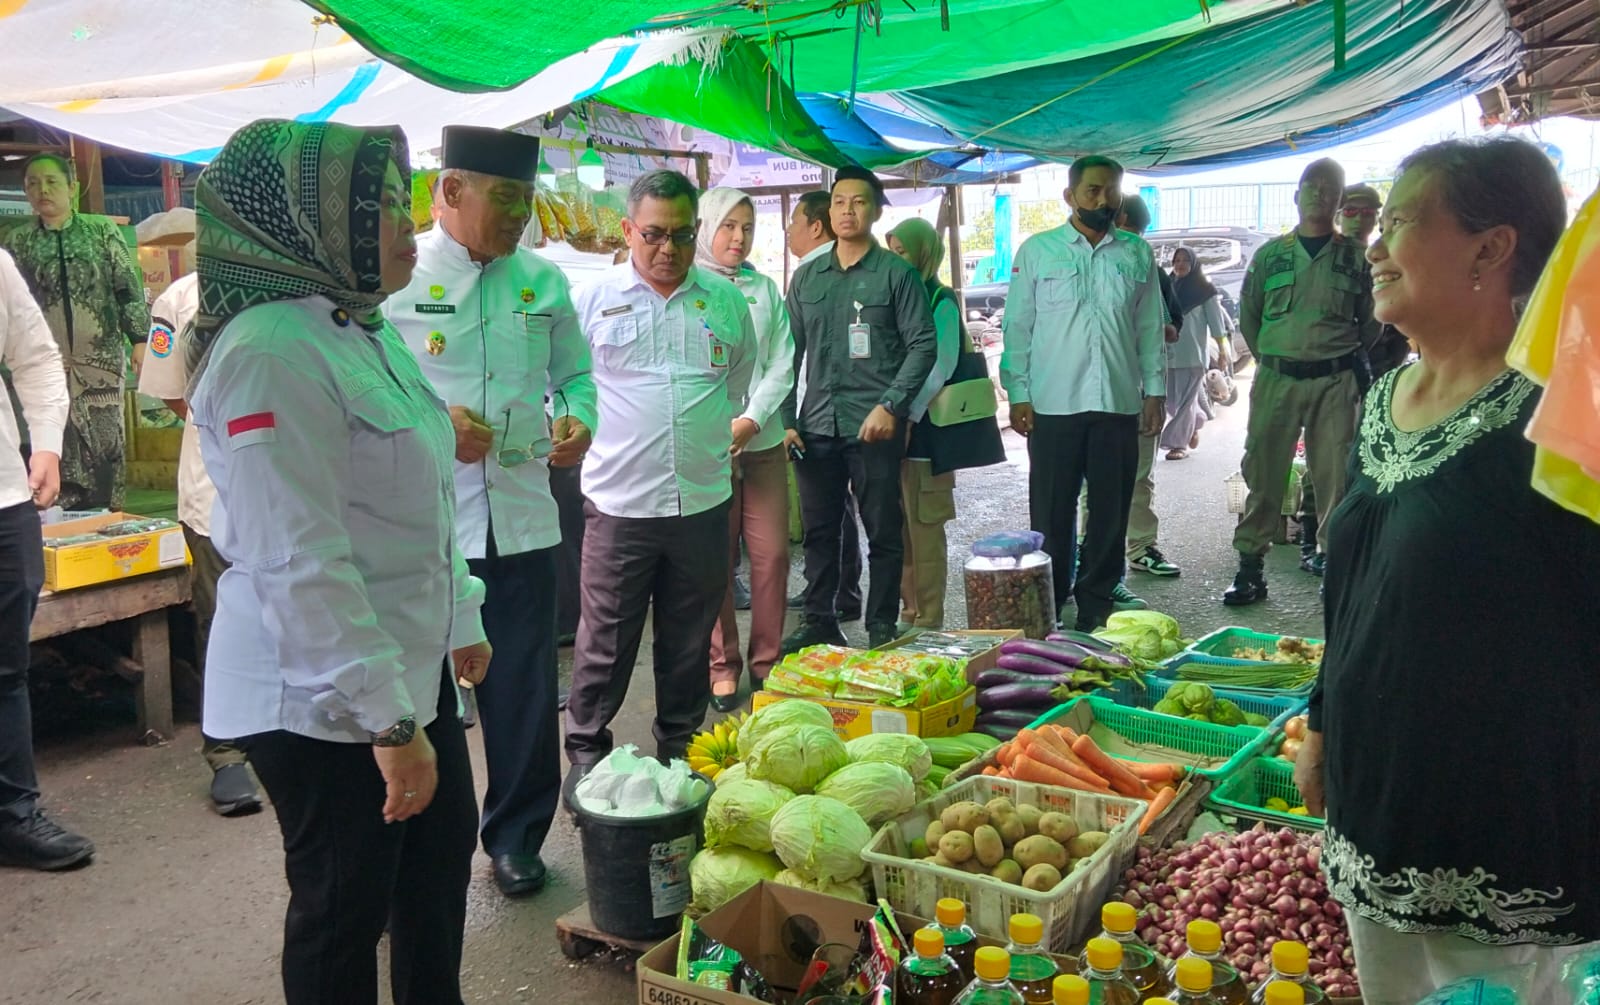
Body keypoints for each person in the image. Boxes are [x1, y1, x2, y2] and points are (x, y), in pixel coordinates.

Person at [187, 119, 491, 1005]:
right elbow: (298, 558)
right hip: (321, 698)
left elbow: (421, 494)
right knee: (342, 905)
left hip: (403, 667)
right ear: (317, 221)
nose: (406, 223)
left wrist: (461, 616)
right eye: (387, 206)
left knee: (434, 873)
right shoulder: (270, 352)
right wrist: (390, 727)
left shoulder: (360, 327)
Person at [1296, 137, 1596, 1005]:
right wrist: (1321, 722)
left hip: (1499, 821)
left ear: (1491, 247)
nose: (1372, 245)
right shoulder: (1387, 392)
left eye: (1396, 222)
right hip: (1377, 797)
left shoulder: (1559, 413)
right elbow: (1353, 591)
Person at [386, 125, 597, 899]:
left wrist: (580, 417)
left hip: (521, 519)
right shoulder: (397, 276)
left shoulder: (542, 282)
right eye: (503, 199)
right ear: (451, 192)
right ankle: (412, 849)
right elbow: (368, 386)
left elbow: (576, 373)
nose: (518, 216)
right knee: (421, 696)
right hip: (422, 525)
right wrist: (437, 422)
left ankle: (514, 837)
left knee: (523, 693)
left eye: (525, 201)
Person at [565, 170, 756, 793]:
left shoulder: (724, 301)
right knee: (606, 639)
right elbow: (564, 382)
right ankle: (586, 753)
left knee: (687, 638)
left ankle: (680, 753)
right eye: (653, 235)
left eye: (680, 235)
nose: (668, 249)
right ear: (628, 229)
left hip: (701, 499)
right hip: (620, 503)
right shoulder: (593, 300)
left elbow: (734, 386)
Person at [1001, 156, 1165, 631]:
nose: (1103, 200)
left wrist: (1154, 390)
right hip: (1053, 404)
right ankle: (1050, 605)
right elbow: (1018, 326)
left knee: (1111, 512)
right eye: (1092, 190)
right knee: (1051, 509)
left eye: (1111, 191)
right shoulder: (1038, 251)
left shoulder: (1136, 253)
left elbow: (1150, 327)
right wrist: (1018, 391)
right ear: (1070, 196)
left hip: (1117, 401)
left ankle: (1096, 607)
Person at [780, 166, 938, 651]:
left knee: (883, 529)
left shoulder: (897, 275)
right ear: (829, 211)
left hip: (874, 428)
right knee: (820, 532)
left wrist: (891, 405)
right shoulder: (807, 277)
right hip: (816, 426)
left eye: (859, 202)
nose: (848, 210)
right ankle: (820, 617)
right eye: (840, 201)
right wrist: (787, 420)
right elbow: (787, 352)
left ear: (875, 210)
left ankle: (881, 623)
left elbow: (923, 345)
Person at [135, 270, 261, 816]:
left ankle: (292, 736)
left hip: (293, 486)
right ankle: (227, 751)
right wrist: (223, 423)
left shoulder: (296, 283)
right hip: (215, 493)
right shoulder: (179, 298)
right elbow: (168, 390)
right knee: (222, 620)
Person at [1224, 158, 1378, 603]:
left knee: (1336, 478)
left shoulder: (1355, 259)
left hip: (1335, 381)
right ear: (1296, 196)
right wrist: (1277, 357)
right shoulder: (1269, 255)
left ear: (1339, 200)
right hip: (1277, 378)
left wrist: (1334, 355)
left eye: (1330, 189)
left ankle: (1335, 565)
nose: (1319, 194)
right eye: (1311, 186)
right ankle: (1250, 568)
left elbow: (1371, 324)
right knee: (1264, 473)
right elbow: (1249, 318)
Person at [0, 247, 89, 872]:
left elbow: (34, 356)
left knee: (6, 670)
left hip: (4, 498)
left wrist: (48, 445)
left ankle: (14, 816)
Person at [0, 153, 149, 511]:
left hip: (98, 364)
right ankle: (58, 524)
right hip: (43, 369)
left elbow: (127, 286)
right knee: (51, 441)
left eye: (51, 181)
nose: (42, 190)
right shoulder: (17, 241)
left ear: (72, 187)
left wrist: (141, 339)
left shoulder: (101, 231)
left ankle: (109, 520)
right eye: (33, 184)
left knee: (104, 447)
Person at [696, 188, 795, 712]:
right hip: (707, 447)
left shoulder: (764, 290)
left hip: (763, 442)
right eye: (728, 226)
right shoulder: (690, 286)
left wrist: (752, 419)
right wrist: (721, 425)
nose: (738, 237)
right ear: (707, 225)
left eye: (747, 228)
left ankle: (768, 666)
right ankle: (721, 666)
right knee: (716, 559)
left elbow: (783, 361)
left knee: (772, 557)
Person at [784, 190, 864, 622]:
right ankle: (836, 593)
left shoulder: (813, 274)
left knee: (829, 516)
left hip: (820, 413)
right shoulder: (810, 276)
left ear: (816, 226)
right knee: (834, 512)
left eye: (793, 223)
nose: (789, 233)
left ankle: (835, 595)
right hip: (816, 413)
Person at [884, 218, 961, 630]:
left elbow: (940, 364)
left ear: (924, 254)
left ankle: (929, 618)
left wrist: (907, 414)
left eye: (903, 253)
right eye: (891, 252)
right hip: (894, 427)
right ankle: (908, 611)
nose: (896, 262)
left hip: (927, 435)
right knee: (899, 532)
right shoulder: (896, 297)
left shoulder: (939, 299)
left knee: (925, 529)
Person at [1115, 194, 1182, 586]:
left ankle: (1138, 549)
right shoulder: (1081, 262)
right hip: (1098, 391)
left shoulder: (1147, 266)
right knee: (1109, 476)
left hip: (1140, 385)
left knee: (1137, 472)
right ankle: (1096, 553)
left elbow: (1171, 326)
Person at [1162, 247, 1228, 460]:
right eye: (1176, 260)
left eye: (1184, 260)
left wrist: (1222, 353)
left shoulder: (1205, 290)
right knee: (1171, 401)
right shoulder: (1167, 286)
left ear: (1193, 263)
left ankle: (1177, 445)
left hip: (1192, 355)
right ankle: (1196, 421)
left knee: (1185, 402)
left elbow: (1217, 324)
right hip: (1167, 353)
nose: (1180, 264)